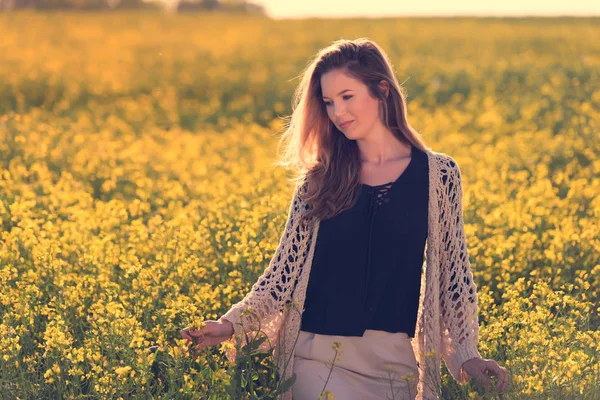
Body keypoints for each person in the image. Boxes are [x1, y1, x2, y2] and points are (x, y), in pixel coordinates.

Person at [181, 38, 510, 399]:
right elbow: (281, 275)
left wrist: (467, 357)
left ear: (381, 89)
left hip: (393, 366)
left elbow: (454, 277)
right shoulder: (320, 180)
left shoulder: (438, 176)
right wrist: (230, 326)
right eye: (328, 102)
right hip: (316, 360)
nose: (337, 112)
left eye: (347, 97)